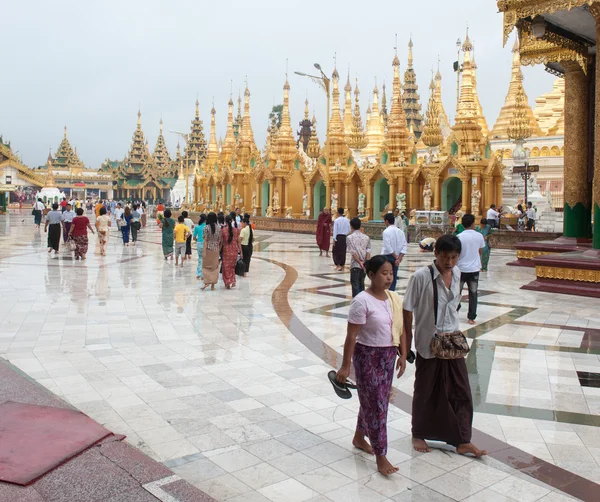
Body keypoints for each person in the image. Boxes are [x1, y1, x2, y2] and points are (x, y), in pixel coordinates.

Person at [401, 234, 486, 458]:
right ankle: (418, 433)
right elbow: (407, 310)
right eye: (445, 257)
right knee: (426, 390)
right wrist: (406, 343)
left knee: (461, 390)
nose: (449, 262)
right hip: (429, 342)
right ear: (435, 254)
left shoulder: (457, 274)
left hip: (451, 342)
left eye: (454, 257)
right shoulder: (421, 277)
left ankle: (462, 439)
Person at [335, 256, 403, 476]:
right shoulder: (361, 301)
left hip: (388, 355)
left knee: (376, 400)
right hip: (368, 357)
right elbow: (351, 337)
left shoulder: (392, 298)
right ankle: (381, 455)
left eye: (391, 273)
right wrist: (345, 367)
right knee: (376, 406)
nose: (389, 277)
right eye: (384, 273)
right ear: (371, 275)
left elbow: (398, 328)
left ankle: (358, 436)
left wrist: (401, 353)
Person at [457, 214, 485, 325]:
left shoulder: (459, 237)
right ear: (473, 223)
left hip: (460, 268)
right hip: (474, 269)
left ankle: (455, 312)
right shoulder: (479, 236)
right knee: (473, 293)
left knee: (457, 292)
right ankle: (471, 317)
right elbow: (480, 251)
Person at [346, 217, 371, 298]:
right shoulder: (366, 237)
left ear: (351, 226)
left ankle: (357, 303)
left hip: (355, 264)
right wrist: (365, 263)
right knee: (361, 284)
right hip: (364, 265)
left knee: (355, 285)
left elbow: (353, 252)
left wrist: (359, 262)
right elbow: (368, 251)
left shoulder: (349, 237)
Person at [381, 213, 407, 291]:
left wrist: (396, 257)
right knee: (394, 275)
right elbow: (404, 246)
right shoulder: (400, 232)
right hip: (397, 257)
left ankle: (387, 292)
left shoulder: (386, 232)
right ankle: (392, 291)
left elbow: (387, 247)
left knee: (386, 275)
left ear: (386, 221)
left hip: (388, 256)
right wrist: (399, 258)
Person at [201, 212, 222, 291]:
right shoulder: (219, 228)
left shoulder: (206, 227)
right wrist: (218, 248)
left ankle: (207, 281)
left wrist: (204, 251)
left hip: (208, 249)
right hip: (216, 249)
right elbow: (220, 240)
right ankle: (213, 285)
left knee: (206, 266)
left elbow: (205, 240)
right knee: (214, 267)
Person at [221, 215, 241, 289]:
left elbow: (221, 242)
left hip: (226, 250)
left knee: (226, 267)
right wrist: (240, 252)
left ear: (225, 221)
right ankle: (233, 281)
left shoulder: (223, 230)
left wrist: (219, 251)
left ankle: (227, 282)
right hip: (234, 250)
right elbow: (238, 242)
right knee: (232, 267)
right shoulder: (236, 230)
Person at [332, 207, 350, 271]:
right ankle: (342, 265)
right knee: (343, 251)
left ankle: (338, 265)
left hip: (338, 237)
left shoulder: (336, 220)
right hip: (344, 237)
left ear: (338, 213)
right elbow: (349, 229)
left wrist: (334, 239)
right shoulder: (347, 220)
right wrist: (345, 234)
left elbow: (335, 230)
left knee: (336, 251)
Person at [193, 214, 207, 279]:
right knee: (205, 259)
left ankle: (199, 273)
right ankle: (204, 274)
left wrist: (198, 240)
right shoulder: (207, 227)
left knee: (200, 258)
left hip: (199, 243)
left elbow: (194, 237)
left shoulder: (197, 227)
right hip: (206, 244)